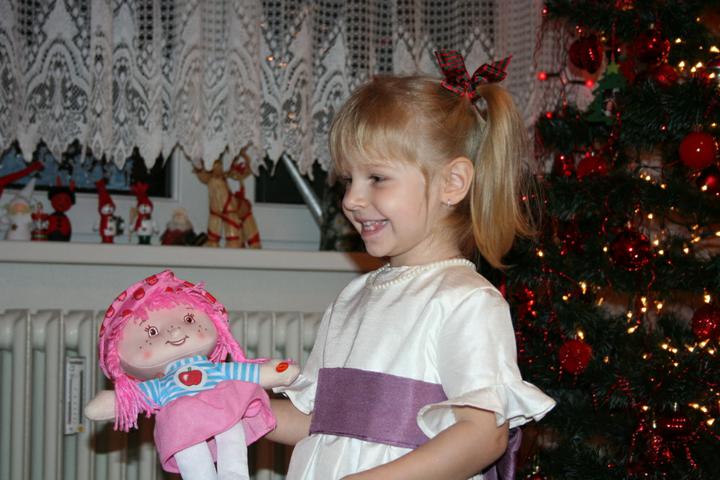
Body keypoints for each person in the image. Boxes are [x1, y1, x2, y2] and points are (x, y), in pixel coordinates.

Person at [266, 50, 556, 479]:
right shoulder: (353, 297)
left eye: (376, 178)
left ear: (452, 183)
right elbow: (319, 422)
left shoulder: (466, 301)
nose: (351, 200)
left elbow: (483, 435)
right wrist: (234, 411)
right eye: (348, 180)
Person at [85, 269, 299, 480]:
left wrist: (274, 372)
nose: (176, 331)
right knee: (192, 457)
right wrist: (113, 401)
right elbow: (133, 397)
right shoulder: (162, 385)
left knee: (232, 444)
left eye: (188, 319)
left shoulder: (215, 370)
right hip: (184, 425)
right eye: (152, 332)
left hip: (225, 412)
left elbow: (243, 371)